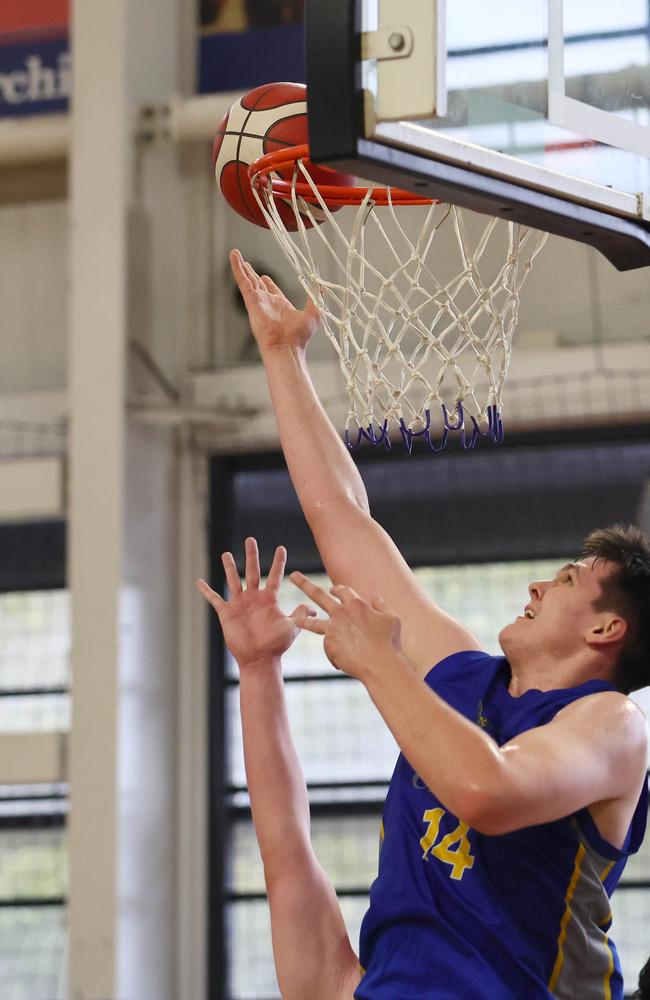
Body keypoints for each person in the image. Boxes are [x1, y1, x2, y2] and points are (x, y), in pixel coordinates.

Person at [198, 249, 650, 999]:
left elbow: (486, 790)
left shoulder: (610, 724)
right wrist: (283, 357)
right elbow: (343, 521)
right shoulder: (467, 678)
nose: (539, 582)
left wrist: (381, 664)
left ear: (607, 631)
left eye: (568, 580)